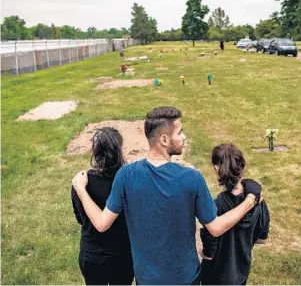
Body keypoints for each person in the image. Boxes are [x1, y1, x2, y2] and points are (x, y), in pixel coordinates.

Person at [72, 106, 262, 285]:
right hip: (186, 279)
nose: (184, 137)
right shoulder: (192, 178)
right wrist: (250, 201)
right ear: (164, 139)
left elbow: (101, 223)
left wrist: (81, 189)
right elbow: (216, 228)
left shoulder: (125, 175)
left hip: (146, 279)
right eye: (179, 132)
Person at [200, 143, 270, 285]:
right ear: (241, 166)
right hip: (241, 273)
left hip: (215, 277)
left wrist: (202, 252)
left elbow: (208, 254)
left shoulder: (216, 206)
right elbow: (262, 239)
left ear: (216, 168)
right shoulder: (259, 201)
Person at [71, 127, 134, 285]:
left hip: (92, 255)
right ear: (119, 150)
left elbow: (80, 218)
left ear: (95, 151)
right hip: (122, 256)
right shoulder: (128, 182)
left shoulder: (81, 183)